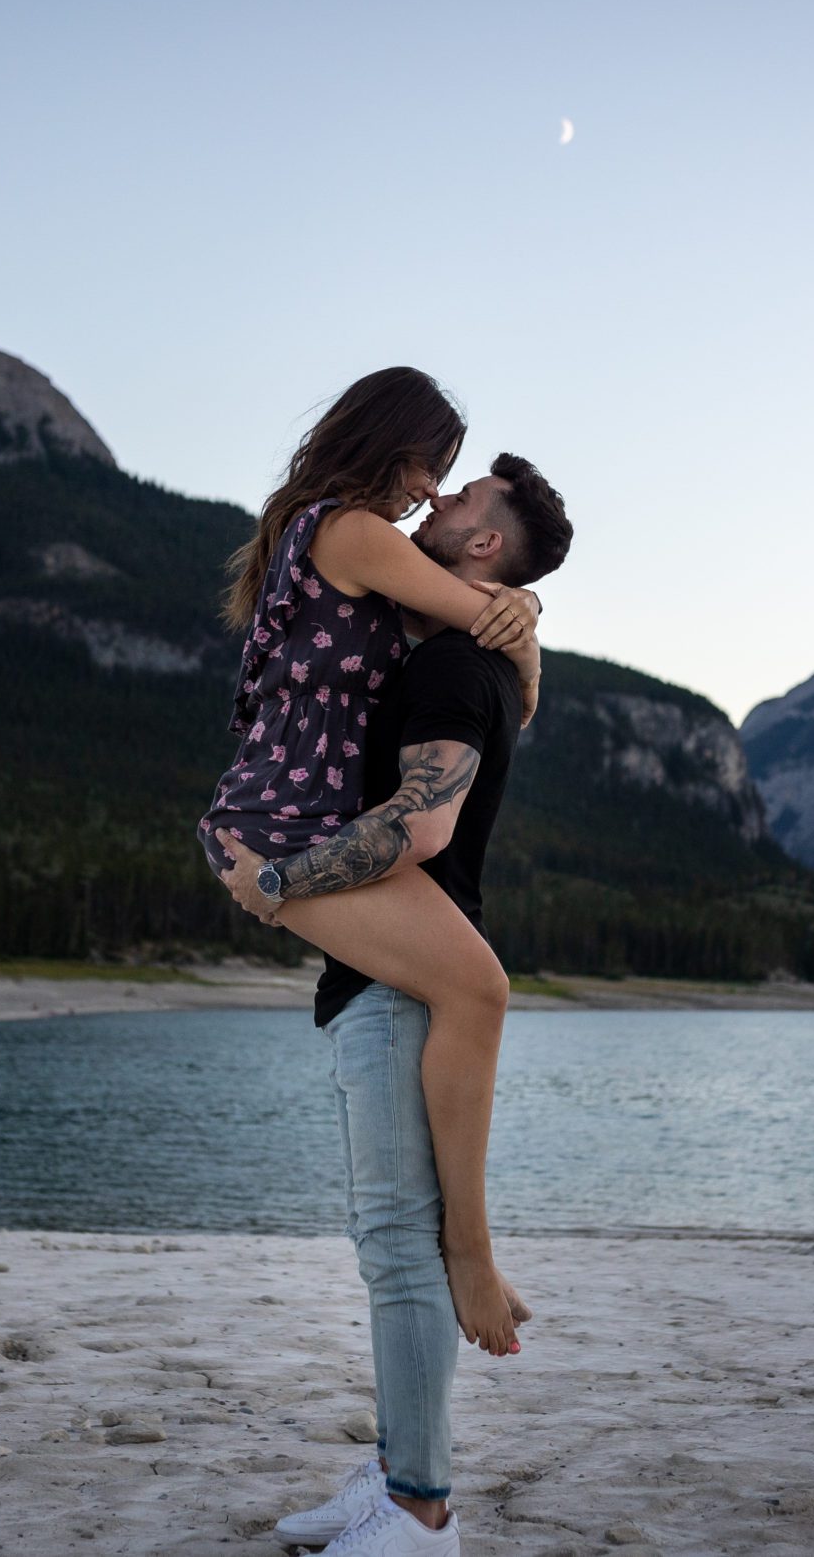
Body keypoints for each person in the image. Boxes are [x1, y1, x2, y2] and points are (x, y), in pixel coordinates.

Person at [216, 455, 574, 1556]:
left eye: (458, 502)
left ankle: (418, 1510)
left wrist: (275, 886)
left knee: (395, 1242)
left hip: (404, 982)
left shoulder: (452, 673)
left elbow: (419, 830)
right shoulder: (443, 655)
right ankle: (395, 1477)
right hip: (384, 974)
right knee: (393, 1241)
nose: (434, 503)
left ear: (482, 550)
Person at [199, 369, 547, 1363]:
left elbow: (475, 637)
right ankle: (470, 1253)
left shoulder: (331, 534)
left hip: (299, 817)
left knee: (466, 993)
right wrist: (521, 629)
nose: (435, 494)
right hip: (277, 823)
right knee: (478, 989)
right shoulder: (350, 528)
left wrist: (512, 614)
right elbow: (488, 635)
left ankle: (456, 1260)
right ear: (397, 454)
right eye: (434, 471)